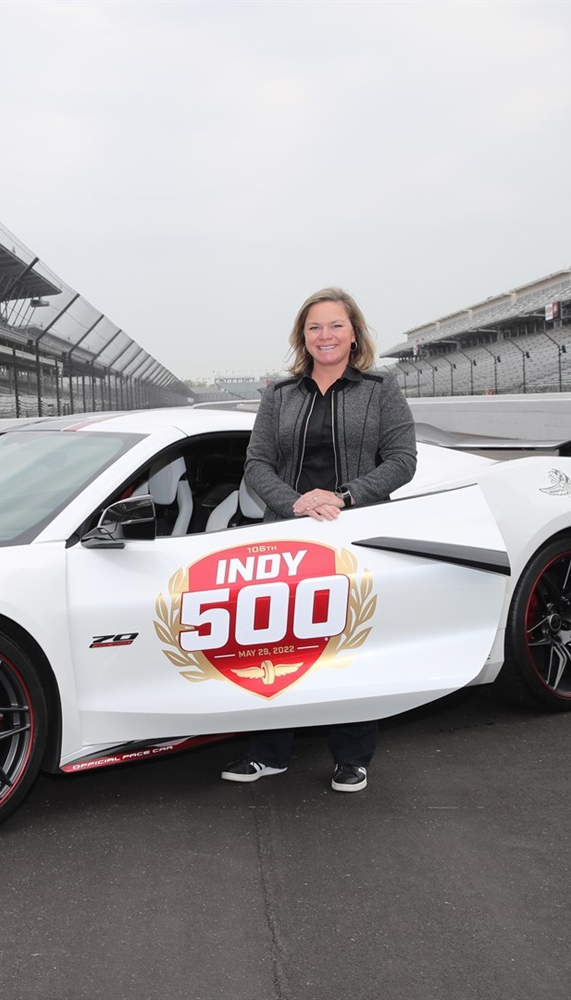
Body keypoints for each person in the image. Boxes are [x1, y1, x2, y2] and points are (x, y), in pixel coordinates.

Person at [221, 287, 417, 793]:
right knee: (274, 642)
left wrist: (343, 497)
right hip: (285, 534)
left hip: (356, 531)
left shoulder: (381, 388)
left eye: (335, 326)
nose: (324, 336)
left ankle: (352, 756)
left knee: (349, 643)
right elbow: (256, 464)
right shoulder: (280, 394)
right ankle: (269, 754)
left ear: (354, 334)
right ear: (302, 337)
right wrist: (296, 504)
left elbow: (402, 461)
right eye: (314, 327)